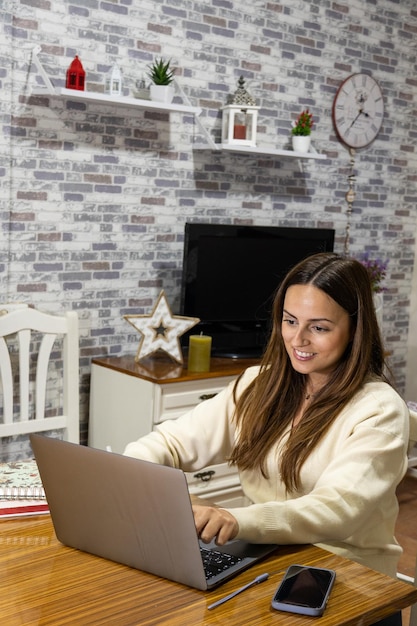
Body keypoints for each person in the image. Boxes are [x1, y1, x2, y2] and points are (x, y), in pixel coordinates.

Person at [124, 252, 410, 626]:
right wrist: (137, 473)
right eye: (290, 321)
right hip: (268, 559)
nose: (298, 339)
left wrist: (234, 519)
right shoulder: (260, 383)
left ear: (356, 330)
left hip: (350, 577)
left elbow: (337, 509)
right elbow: (171, 442)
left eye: (319, 327)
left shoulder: (379, 409)